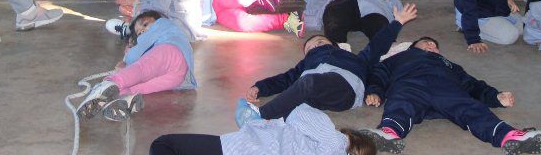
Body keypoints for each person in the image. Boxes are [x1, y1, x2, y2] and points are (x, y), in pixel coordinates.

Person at [361, 36, 541, 154]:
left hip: (445, 89)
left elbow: (472, 85)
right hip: (410, 86)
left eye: (434, 45)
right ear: (413, 47)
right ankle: (388, 132)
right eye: (424, 43)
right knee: (400, 104)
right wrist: (374, 91)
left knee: (469, 106)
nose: (430, 46)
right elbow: (379, 72)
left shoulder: (450, 65)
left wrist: (495, 97)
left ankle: (509, 136)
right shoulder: (402, 57)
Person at [236, 3, 417, 121]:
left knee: (308, 83)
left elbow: (377, 45)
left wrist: (397, 22)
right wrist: (260, 87)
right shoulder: (305, 65)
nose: (316, 45)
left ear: (336, 47)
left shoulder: (354, 59)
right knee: (297, 104)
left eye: (321, 42)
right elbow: (284, 79)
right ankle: (272, 127)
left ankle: (260, 116)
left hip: (344, 87)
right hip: (315, 91)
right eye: (311, 48)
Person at [77, 11, 194, 122]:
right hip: (177, 76)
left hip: (169, 52)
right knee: (143, 86)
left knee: (141, 69)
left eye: (145, 24)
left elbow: (136, 59)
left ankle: (108, 84)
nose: (142, 30)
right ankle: (124, 98)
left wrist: (127, 57)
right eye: (139, 32)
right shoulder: (161, 39)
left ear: (158, 20)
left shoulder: (163, 25)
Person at [150, 103, 378, 155]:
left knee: (164, 144)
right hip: (244, 147)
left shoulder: (336, 140)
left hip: (243, 149)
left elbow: (298, 113)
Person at [322, 0, 403, 44]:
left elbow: (398, 9)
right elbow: (314, 3)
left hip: (373, 10)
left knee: (379, 25)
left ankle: (388, 48)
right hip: (345, 5)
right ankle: (334, 47)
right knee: (335, 15)